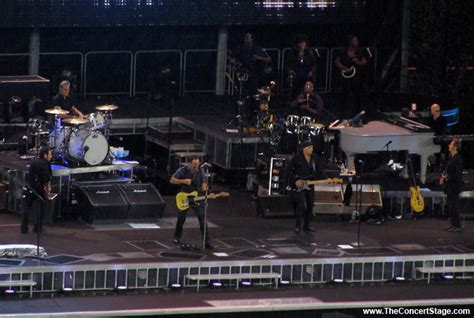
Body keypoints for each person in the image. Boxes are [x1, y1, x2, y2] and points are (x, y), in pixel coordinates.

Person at [170, 156, 213, 249]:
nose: (196, 167)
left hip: (196, 197)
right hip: (184, 196)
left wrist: (205, 187)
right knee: (181, 218)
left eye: (197, 164)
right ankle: (177, 237)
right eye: (194, 165)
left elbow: (204, 184)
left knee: (202, 218)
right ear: (189, 163)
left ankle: (206, 241)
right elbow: (172, 180)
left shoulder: (201, 171)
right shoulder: (182, 170)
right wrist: (183, 181)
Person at [287, 140, 327, 233]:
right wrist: (295, 180)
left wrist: (327, 179)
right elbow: (289, 171)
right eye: (309, 148)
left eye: (312, 147)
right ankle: (297, 226)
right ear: (304, 149)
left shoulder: (315, 157)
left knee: (310, 205)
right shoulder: (297, 158)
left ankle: (307, 225)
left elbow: (319, 170)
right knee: (301, 205)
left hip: (310, 183)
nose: (311, 149)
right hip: (301, 183)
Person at [20, 146, 53, 234]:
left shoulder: (33, 161)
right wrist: (47, 187)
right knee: (40, 209)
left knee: (27, 208)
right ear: (45, 155)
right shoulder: (46, 164)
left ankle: (24, 228)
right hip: (39, 190)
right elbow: (47, 178)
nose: (51, 156)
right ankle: (37, 228)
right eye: (50, 154)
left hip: (29, 187)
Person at [334, 35, 368, 117]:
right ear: (350, 41)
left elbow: (364, 62)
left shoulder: (359, 51)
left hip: (356, 76)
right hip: (345, 76)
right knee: (344, 93)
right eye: (354, 40)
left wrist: (357, 62)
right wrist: (345, 68)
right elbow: (337, 62)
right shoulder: (343, 51)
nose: (356, 42)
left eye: (356, 40)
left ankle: (357, 113)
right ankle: (343, 113)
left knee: (356, 94)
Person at [440, 138, 463, 232]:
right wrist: (443, 176)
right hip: (449, 186)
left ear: (455, 147)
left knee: (454, 206)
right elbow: (448, 171)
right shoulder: (451, 157)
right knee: (450, 206)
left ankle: (457, 226)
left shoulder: (458, 159)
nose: (449, 145)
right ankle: (453, 224)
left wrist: (447, 178)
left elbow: (457, 174)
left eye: (451, 144)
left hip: (454, 186)